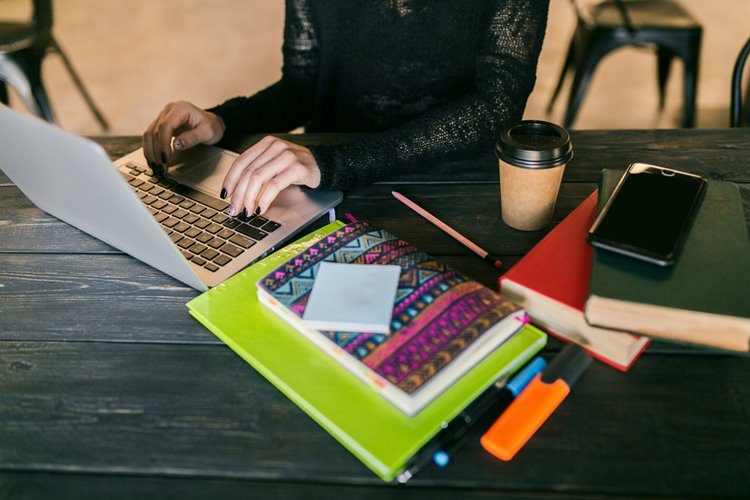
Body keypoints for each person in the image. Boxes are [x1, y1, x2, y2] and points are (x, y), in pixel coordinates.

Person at [142, 0, 549, 218]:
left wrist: (336, 164)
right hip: (328, 187)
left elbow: (497, 106)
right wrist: (224, 120)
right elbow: (304, 86)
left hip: (453, 186)